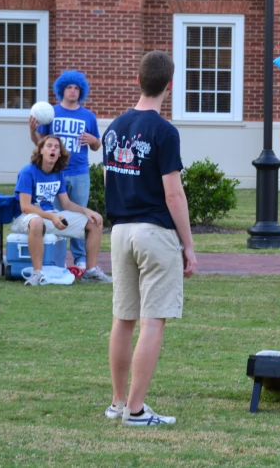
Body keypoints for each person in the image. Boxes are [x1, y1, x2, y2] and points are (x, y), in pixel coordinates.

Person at [102, 50, 197, 426]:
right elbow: (173, 193)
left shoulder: (114, 127)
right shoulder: (164, 131)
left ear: (138, 79)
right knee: (152, 319)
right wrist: (188, 244)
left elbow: (110, 179)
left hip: (120, 231)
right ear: (170, 86)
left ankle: (117, 402)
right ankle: (136, 411)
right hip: (154, 232)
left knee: (123, 318)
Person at [11, 135, 112, 286]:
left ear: (60, 154)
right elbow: (25, 206)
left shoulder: (58, 173)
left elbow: (66, 203)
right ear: (41, 151)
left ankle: (91, 271)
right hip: (26, 218)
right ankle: (37, 274)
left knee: (94, 221)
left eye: (56, 147)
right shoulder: (28, 172)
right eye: (49, 146)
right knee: (37, 221)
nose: (53, 149)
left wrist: (87, 211)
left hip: (51, 215)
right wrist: (51, 217)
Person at [29, 70, 101, 271]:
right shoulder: (50, 113)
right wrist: (31, 131)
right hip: (53, 173)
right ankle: (54, 256)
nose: (73, 91)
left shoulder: (88, 116)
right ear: (62, 89)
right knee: (52, 213)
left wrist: (94, 141)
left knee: (79, 216)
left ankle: (80, 259)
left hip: (79, 173)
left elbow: (97, 146)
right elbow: (39, 145)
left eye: (77, 88)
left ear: (81, 91)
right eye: (69, 87)